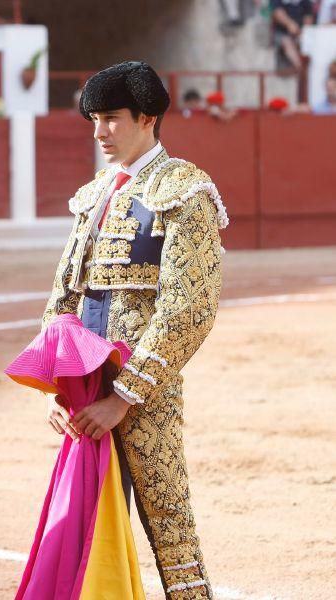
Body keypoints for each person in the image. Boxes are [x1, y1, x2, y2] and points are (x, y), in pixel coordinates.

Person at [43, 61, 227, 600]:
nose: (99, 132)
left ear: (147, 118)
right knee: (85, 521)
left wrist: (123, 397)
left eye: (111, 119)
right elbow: (64, 297)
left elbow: (188, 306)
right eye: (94, 120)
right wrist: (57, 386)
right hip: (83, 383)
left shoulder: (184, 189)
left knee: (168, 521)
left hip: (141, 389)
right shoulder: (94, 195)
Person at [270, 0, 314, 70]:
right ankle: (301, 69)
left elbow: (308, 16)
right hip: (282, 33)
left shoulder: (305, 2)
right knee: (287, 42)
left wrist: (302, 31)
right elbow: (278, 13)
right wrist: (289, 24)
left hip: (300, 33)